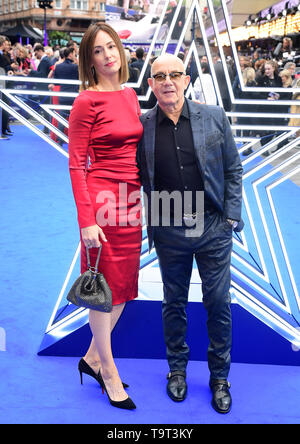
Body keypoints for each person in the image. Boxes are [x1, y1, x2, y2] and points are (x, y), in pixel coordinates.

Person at [137, 54, 243, 414]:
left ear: (186, 79)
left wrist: (230, 217)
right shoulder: (144, 124)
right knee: (174, 303)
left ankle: (219, 378)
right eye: (160, 76)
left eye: (175, 75)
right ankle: (177, 371)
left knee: (218, 303)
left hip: (213, 226)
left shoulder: (213, 116)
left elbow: (233, 168)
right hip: (168, 228)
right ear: (151, 84)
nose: (168, 81)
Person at [68, 22, 143, 410]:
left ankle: (92, 358)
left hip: (132, 204)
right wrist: (87, 220)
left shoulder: (130, 96)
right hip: (102, 205)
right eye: (97, 51)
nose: (107, 55)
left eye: (110, 46)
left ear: (121, 50)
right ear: (89, 60)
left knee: (123, 289)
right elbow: (76, 165)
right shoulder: (86, 101)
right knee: (104, 289)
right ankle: (109, 374)